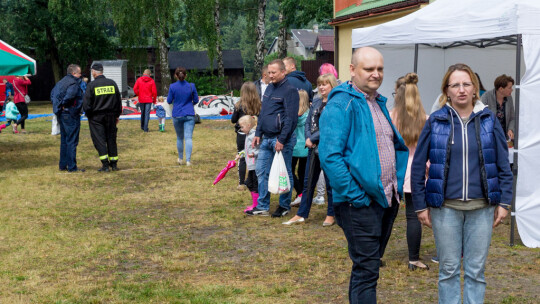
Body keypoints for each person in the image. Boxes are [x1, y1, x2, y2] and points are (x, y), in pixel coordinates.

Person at [411, 63, 513, 304]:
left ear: (475, 89)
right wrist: (420, 204)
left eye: (466, 84)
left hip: (482, 208)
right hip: (445, 209)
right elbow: (418, 166)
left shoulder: (489, 120)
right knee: (448, 270)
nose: (461, 90)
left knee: (476, 272)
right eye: (455, 85)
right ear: (447, 90)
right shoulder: (436, 121)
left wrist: (505, 202)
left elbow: (503, 164)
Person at [318, 47, 408, 303]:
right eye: (369, 69)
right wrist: (356, 196)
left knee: (367, 269)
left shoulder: (376, 102)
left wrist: (395, 187)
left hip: (385, 200)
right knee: (367, 270)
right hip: (360, 204)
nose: (376, 74)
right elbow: (330, 157)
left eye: (379, 69)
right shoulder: (341, 103)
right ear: (353, 70)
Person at [247, 59, 299, 217]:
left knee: (285, 172)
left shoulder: (290, 91)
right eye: (269, 73)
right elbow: (263, 113)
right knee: (261, 171)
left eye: (273, 72)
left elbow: (291, 119)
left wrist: (282, 139)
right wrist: (258, 133)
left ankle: (284, 206)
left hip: (282, 139)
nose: (270, 75)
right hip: (266, 138)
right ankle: (262, 206)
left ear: (283, 72)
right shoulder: (269, 88)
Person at [284, 73, 338, 226]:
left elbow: (329, 126)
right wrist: (309, 137)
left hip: (328, 148)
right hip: (313, 148)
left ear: (332, 85)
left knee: (330, 184)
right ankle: (301, 213)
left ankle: (331, 214)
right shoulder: (315, 101)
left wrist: (312, 138)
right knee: (308, 182)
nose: (321, 87)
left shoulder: (335, 104)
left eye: (325, 84)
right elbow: (308, 122)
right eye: (319, 84)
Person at [389, 73, 429, 271]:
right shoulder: (426, 119)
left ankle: (375, 255)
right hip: (417, 173)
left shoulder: (390, 116)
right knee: (413, 217)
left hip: (394, 170)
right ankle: (413, 259)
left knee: (385, 215)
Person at [83, 63, 123, 172]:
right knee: (111, 139)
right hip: (111, 116)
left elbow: (86, 104)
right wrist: (117, 115)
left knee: (99, 140)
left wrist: (89, 116)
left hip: (96, 117)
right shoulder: (112, 83)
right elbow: (118, 101)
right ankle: (114, 164)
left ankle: (105, 165)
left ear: (94, 72)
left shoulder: (91, 85)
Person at [51, 64, 85, 172]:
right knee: (72, 140)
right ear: (74, 73)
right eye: (80, 73)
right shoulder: (74, 83)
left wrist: (58, 107)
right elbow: (70, 96)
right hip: (70, 114)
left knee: (64, 140)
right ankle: (72, 167)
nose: (81, 76)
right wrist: (64, 104)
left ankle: (63, 165)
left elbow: (52, 94)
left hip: (61, 114)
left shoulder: (60, 82)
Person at [231, 82, 261, 190]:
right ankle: (255, 178)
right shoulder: (259, 104)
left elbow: (233, 120)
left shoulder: (239, 105)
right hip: (255, 133)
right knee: (255, 154)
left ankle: (241, 183)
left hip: (242, 134)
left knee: (242, 155)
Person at [167, 67, 199, 166]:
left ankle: (180, 159)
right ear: (186, 75)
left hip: (177, 114)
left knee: (180, 138)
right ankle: (188, 161)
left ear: (176, 76)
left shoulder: (172, 87)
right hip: (189, 113)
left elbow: (168, 101)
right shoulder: (191, 86)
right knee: (188, 138)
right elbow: (196, 100)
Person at [235, 115, 260, 213]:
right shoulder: (247, 135)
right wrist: (240, 155)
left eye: (242, 127)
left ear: (249, 125)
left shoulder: (254, 135)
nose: (241, 129)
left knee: (253, 184)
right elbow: (246, 149)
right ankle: (255, 204)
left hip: (255, 164)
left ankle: (257, 204)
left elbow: (259, 149)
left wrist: (254, 154)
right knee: (250, 183)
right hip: (251, 165)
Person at [481, 74, 515, 141]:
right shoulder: (486, 97)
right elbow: (481, 117)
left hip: (504, 137)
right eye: (509, 88)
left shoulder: (509, 98)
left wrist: (510, 129)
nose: (512, 90)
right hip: (490, 137)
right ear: (501, 89)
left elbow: (512, 118)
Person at [290, 90, 309, 206]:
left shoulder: (293, 114)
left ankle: (300, 193)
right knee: (302, 173)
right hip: (305, 147)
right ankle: (301, 196)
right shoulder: (309, 113)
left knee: (290, 171)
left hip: (294, 146)